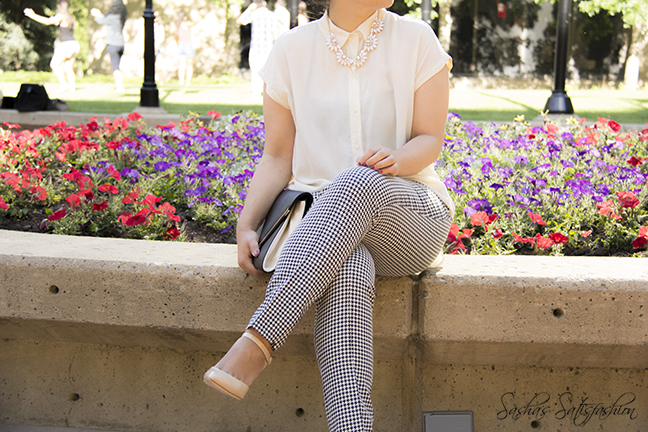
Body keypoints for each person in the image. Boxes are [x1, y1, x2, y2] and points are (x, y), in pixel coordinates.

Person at [204, 0, 454, 430]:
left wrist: (395, 159)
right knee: (348, 265)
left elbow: (430, 138)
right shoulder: (290, 51)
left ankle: (259, 340)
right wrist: (247, 225)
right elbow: (277, 156)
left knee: (357, 180)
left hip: (409, 216)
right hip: (326, 233)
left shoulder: (416, 39)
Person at [24, 1, 80, 93]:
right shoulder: (71, 17)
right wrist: (55, 21)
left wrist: (32, 15)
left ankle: (64, 84)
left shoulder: (61, 16)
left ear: (59, 6)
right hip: (74, 44)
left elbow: (47, 22)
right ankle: (72, 88)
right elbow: (62, 25)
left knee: (54, 64)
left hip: (66, 44)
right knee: (68, 67)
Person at [236, 0, 281, 99]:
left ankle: (256, 93)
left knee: (255, 71)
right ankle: (268, 94)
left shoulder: (254, 14)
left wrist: (249, 9)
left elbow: (239, 21)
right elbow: (276, 34)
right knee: (268, 73)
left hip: (256, 48)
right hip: (268, 48)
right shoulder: (272, 15)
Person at [91, 0, 127, 92]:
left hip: (113, 44)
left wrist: (97, 14)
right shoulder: (121, 17)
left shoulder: (113, 17)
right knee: (118, 66)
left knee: (115, 67)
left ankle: (119, 87)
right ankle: (122, 86)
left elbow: (102, 20)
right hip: (121, 44)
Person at [175, 12, 194, 86]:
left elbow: (176, 37)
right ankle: (188, 82)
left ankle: (181, 81)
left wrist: (178, 43)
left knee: (182, 65)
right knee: (189, 65)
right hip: (188, 45)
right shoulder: (186, 24)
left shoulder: (177, 27)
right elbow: (194, 23)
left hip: (180, 45)